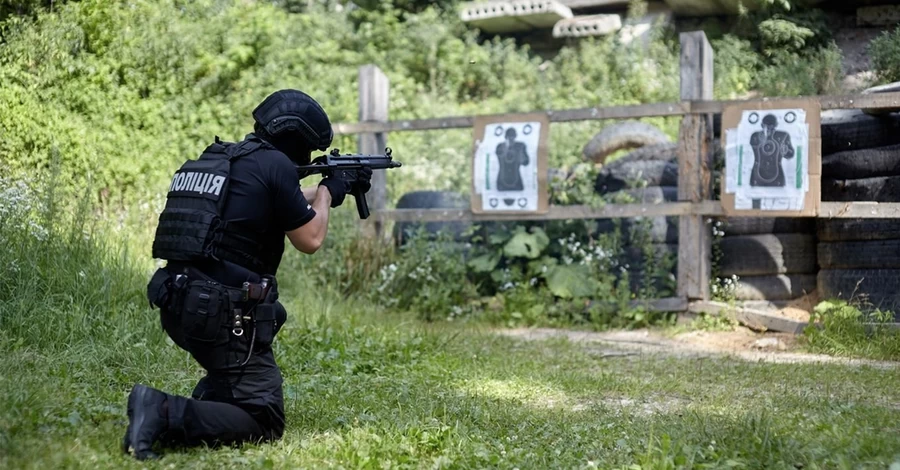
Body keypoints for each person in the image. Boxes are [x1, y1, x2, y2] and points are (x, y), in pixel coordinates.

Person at [123, 89, 371, 460]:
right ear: (298, 141)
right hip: (218, 313)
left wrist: (329, 186)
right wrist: (326, 192)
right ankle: (160, 410)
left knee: (272, 316)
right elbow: (311, 238)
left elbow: (280, 195)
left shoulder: (225, 159)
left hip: (178, 301)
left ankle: (217, 393)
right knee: (263, 419)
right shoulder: (276, 167)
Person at [749, 113, 794, 187]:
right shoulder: (755, 136)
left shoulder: (783, 136)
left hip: (776, 177)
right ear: (762, 126)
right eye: (767, 127)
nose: (769, 130)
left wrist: (786, 151)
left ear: (776, 126)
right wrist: (761, 140)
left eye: (772, 128)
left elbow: (790, 155)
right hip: (758, 176)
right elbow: (754, 146)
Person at [495, 127, 529, 192]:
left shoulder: (520, 146)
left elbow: (525, 162)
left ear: (515, 137)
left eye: (512, 137)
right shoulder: (500, 146)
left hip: (516, 180)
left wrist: (520, 153)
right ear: (506, 137)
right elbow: (500, 155)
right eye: (509, 137)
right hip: (502, 180)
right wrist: (506, 148)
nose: (511, 139)